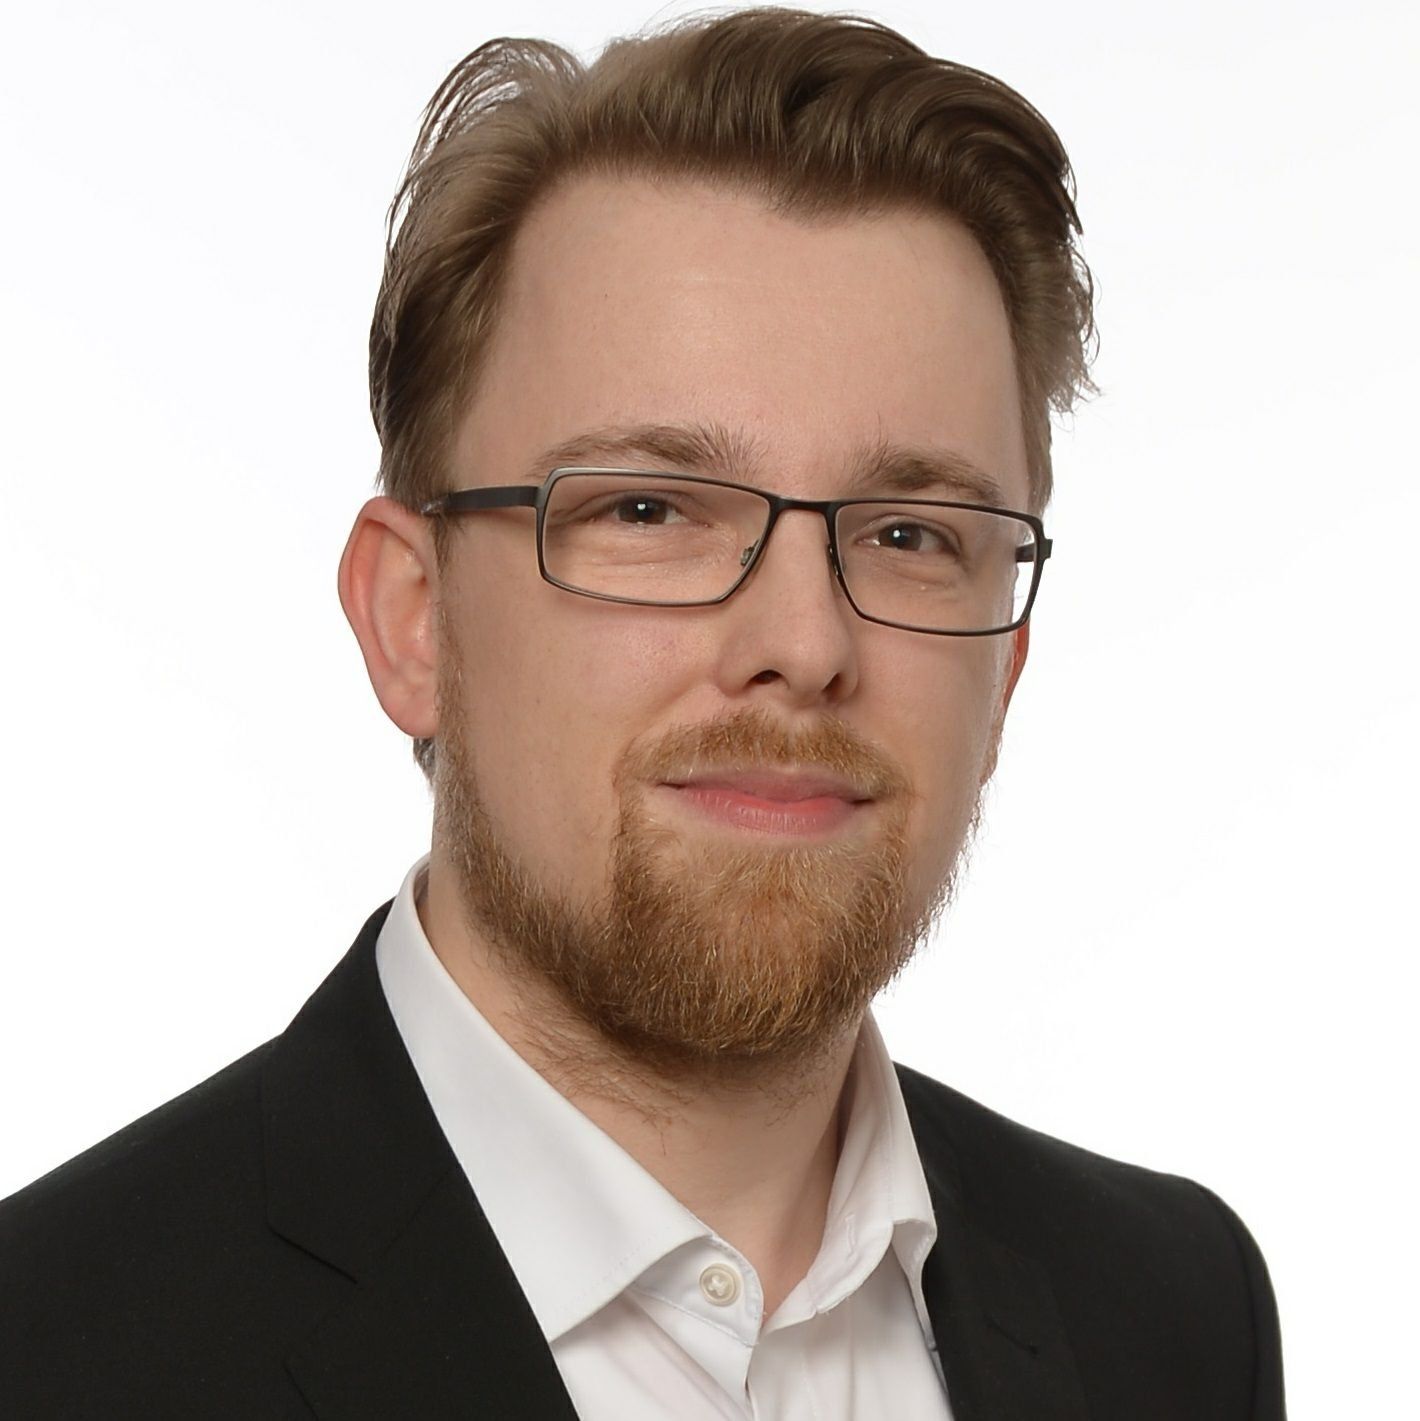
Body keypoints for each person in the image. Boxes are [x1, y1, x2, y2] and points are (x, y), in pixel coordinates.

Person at [0, 9, 1285, 1418]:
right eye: (649, 510)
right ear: (413, 619)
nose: (805, 644)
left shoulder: (1171, 1311)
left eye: (911, 534)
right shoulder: (51, 1351)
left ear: (1009, 665)